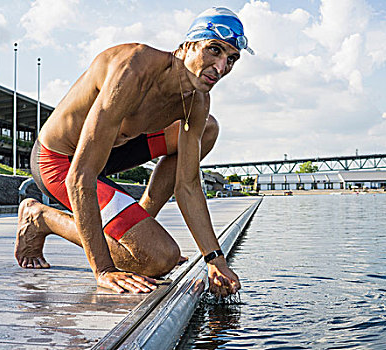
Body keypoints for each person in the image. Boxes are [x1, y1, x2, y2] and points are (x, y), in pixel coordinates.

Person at [14, 7, 254, 297]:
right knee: (158, 258)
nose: (220, 67)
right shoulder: (134, 69)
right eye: (213, 50)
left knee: (208, 129)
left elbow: (188, 186)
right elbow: (80, 177)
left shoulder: (198, 100)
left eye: (231, 59)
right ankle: (39, 217)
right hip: (60, 161)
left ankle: (139, 223)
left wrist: (215, 259)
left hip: (114, 152)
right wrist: (103, 269)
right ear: (189, 45)